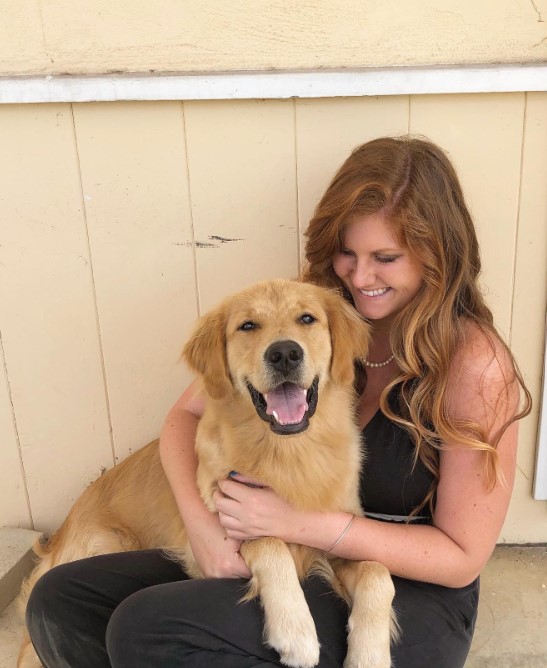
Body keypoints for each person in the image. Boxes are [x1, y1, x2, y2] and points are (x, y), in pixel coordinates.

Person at [26, 136, 531, 668]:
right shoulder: (306, 311)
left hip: (407, 586)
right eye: (348, 254)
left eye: (386, 258)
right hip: (284, 547)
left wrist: (298, 524)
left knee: (148, 629)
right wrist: (204, 532)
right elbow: (185, 417)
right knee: (61, 598)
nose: (360, 278)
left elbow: (461, 558)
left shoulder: (475, 365)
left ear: (438, 255)